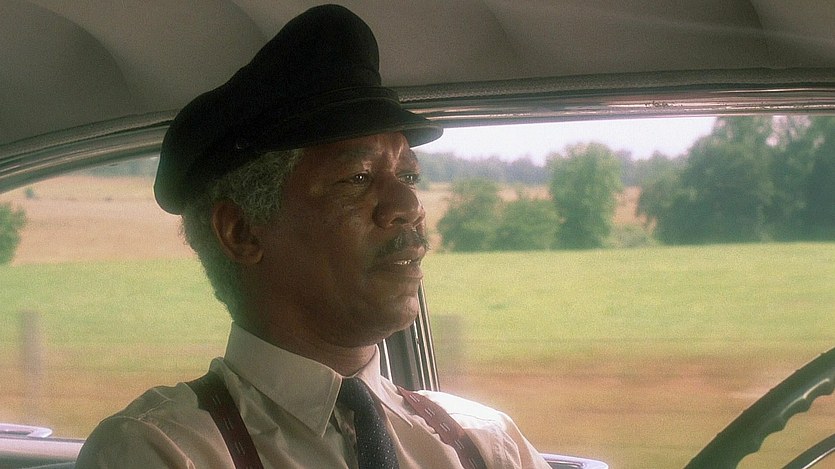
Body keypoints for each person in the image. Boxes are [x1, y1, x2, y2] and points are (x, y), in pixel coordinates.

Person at [77, 5, 550, 469]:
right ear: (241, 232)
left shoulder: (486, 442)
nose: (409, 207)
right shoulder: (162, 450)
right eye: (358, 178)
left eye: (408, 177)